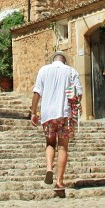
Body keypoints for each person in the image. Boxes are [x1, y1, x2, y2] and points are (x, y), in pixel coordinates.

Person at [30, 51, 83, 193]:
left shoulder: (43, 70)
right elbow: (79, 94)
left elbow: (37, 92)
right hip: (65, 113)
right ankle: (59, 182)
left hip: (48, 114)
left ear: (53, 60)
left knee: (50, 143)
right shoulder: (71, 71)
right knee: (63, 147)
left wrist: (33, 112)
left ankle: (49, 168)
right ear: (65, 61)